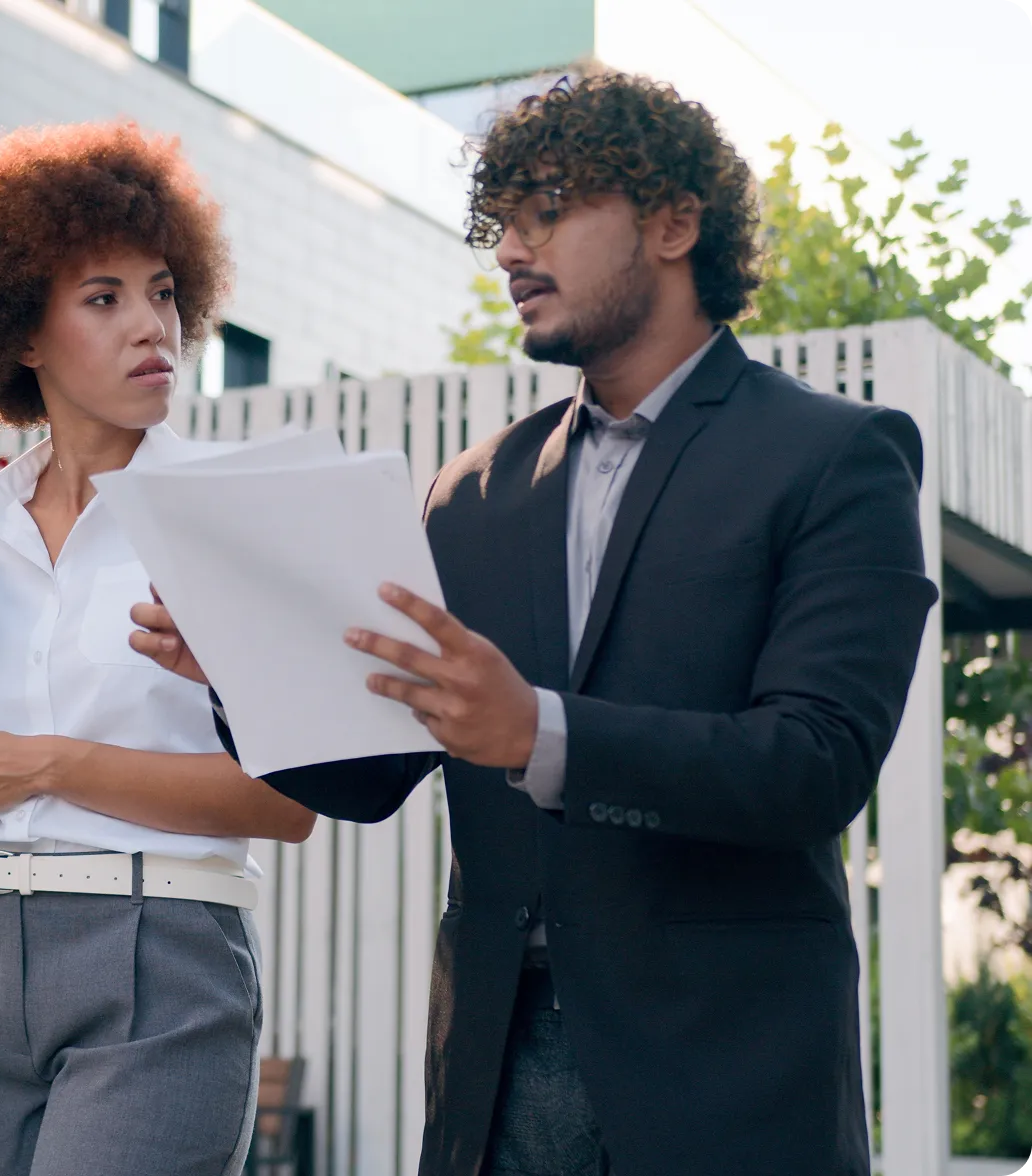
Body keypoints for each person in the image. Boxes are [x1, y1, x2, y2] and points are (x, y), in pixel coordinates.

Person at [132, 75, 937, 1176]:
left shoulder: (837, 456)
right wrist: (240, 669)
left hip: (724, 1073)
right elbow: (374, 776)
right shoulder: (468, 493)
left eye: (547, 207)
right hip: (497, 1068)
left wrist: (539, 734)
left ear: (672, 222)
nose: (510, 249)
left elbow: (814, 762)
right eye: (498, 223)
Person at [0, 122, 315, 1176]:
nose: (150, 325)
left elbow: (287, 802)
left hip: (159, 952)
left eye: (161, 292)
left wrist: (40, 764)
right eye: (102, 298)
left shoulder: (230, 519)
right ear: (20, 334)